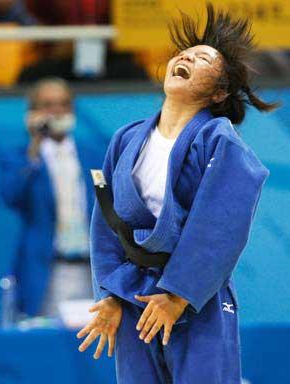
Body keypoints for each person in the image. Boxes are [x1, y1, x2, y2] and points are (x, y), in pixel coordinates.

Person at [76, 4, 278, 384]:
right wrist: (109, 293)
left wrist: (179, 294)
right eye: (185, 53)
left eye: (202, 58)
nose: (186, 56)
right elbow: (107, 223)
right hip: (135, 295)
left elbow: (220, 226)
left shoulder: (220, 142)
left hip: (195, 297)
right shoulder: (126, 138)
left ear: (219, 92)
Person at [0, 77, 105, 318]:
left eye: (63, 104)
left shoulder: (94, 155)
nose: (57, 110)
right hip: (49, 270)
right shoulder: (21, 157)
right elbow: (10, 196)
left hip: (92, 268)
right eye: (48, 105)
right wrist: (34, 146)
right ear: (33, 112)